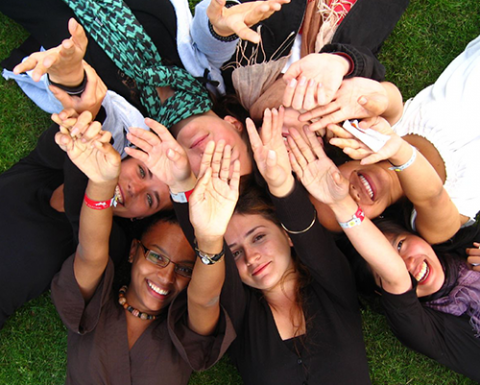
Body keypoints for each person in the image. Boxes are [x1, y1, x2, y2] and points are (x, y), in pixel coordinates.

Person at [148, 108, 371, 384]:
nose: (251, 257)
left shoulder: (332, 286)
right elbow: (208, 273)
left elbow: (308, 232)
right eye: (236, 252)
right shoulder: (240, 314)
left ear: (288, 236)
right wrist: (181, 184)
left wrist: (281, 183)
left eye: (258, 237)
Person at [283, 124, 480, 382]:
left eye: (399, 245)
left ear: (415, 236)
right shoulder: (423, 327)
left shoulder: (459, 246)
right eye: (385, 269)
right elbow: (397, 277)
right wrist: (338, 203)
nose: (407, 265)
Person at [50, 116, 235, 383]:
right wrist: (102, 184)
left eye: (184, 269)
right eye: (157, 256)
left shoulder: (185, 333)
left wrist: (210, 240)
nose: (167, 276)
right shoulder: (96, 303)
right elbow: (91, 252)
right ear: (134, 250)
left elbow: (204, 299)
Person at [285, 33, 480, 245]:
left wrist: (373, 95)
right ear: (369, 223)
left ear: (341, 163)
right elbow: (433, 197)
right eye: (346, 208)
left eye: (335, 181)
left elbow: (389, 102)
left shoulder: (382, 130)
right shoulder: (430, 228)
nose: (351, 193)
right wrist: (398, 151)